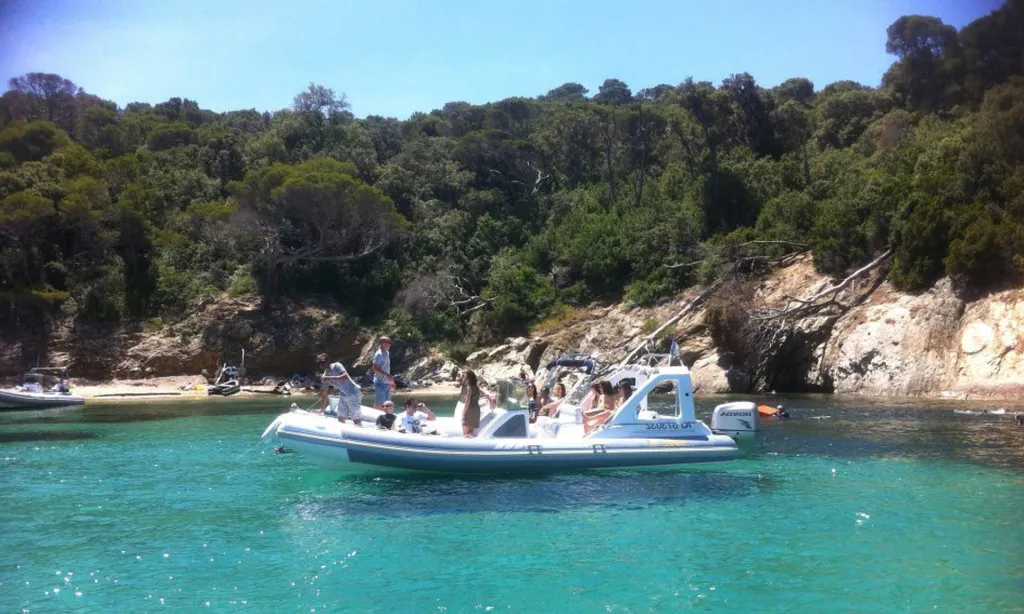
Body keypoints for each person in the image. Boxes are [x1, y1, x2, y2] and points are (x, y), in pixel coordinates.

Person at [317, 353, 363, 425]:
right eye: (320, 363)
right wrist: (322, 409)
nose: (322, 365)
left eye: (323, 362)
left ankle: (360, 430)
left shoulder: (337, 365)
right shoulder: (325, 376)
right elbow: (324, 393)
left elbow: (344, 376)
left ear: (328, 360)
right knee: (340, 416)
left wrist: (329, 378)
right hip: (343, 394)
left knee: (355, 417)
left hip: (353, 392)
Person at [459, 370, 494, 437]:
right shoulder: (476, 387)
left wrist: (463, 412)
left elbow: (467, 401)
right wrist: (491, 403)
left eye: (464, 377)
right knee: (470, 432)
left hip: (469, 409)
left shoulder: (469, 387)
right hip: (476, 410)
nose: (463, 379)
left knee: (465, 433)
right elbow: (486, 395)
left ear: (468, 379)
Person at [372, 337, 396, 410]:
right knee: (379, 403)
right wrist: (386, 375)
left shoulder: (387, 353)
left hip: (386, 383)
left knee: (387, 403)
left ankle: (386, 418)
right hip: (380, 383)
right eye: (388, 342)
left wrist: (391, 382)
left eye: (390, 342)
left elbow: (386, 369)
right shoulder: (379, 355)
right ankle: (375, 418)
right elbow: (375, 369)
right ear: (382, 343)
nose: (390, 344)